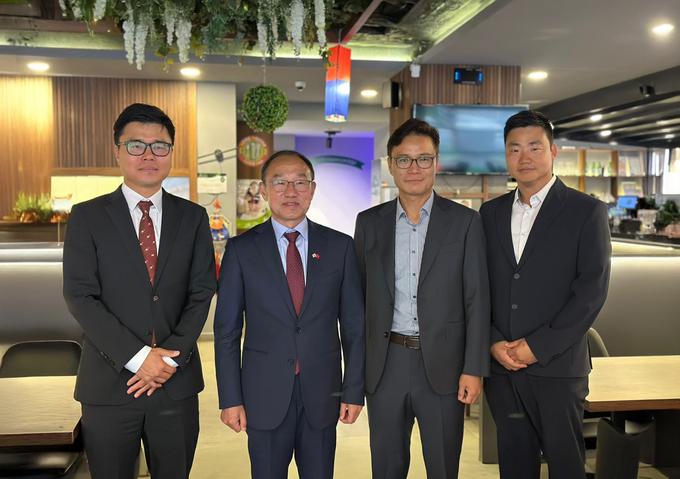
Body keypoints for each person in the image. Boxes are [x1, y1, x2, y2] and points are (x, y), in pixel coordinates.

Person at [63, 103, 217, 479]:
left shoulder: (193, 217)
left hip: (174, 383)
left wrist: (167, 361)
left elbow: (202, 291)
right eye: (136, 145)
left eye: (159, 145)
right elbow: (80, 295)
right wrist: (137, 357)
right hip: (109, 384)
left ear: (170, 153)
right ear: (117, 152)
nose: (149, 155)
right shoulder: (87, 216)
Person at [214, 150, 365, 479]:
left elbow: (354, 327)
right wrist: (230, 398)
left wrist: (354, 390)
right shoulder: (241, 250)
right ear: (264, 190)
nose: (291, 191)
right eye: (280, 182)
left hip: (322, 394)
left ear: (312, 189)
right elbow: (226, 332)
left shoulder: (340, 247)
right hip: (262, 394)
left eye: (300, 182)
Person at [354, 118, 490, 479]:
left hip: (445, 367)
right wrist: (355, 372)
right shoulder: (368, 223)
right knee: (386, 467)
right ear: (390, 164)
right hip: (385, 365)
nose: (414, 168)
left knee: (443, 467)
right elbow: (359, 302)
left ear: (436, 163)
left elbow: (477, 300)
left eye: (423, 159)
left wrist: (474, 368)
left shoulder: (465, 222)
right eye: (404, 159)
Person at [480, 110, 611, 479]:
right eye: (515, 149)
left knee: (565, 465)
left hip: (557, 366)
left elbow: (591, 291)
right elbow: (478, 285)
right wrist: (493, 341)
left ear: (553, 151)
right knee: (514, 463)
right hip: (502, 367)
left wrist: (536, 347)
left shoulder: (586, 210)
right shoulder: (489, 213)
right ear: (506, 155)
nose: (524, 157)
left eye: (534, 147)